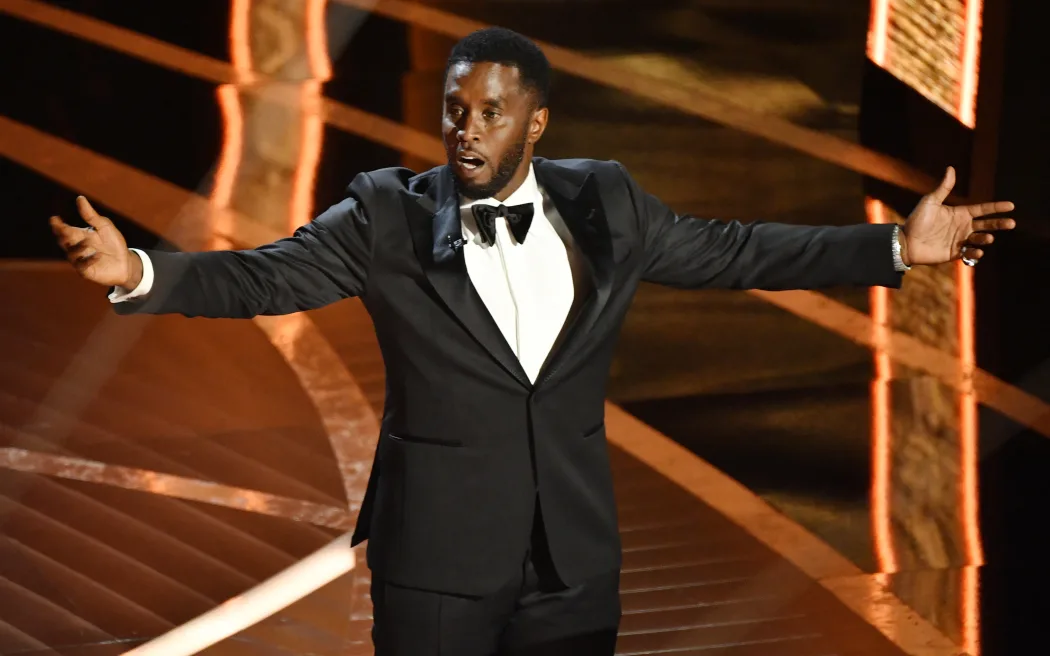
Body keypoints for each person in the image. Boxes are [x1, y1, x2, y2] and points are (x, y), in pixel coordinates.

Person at [49, 26, 1015, 656]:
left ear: (537, 122)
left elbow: (734, 250)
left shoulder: (608, 203)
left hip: (571, 563)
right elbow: (266, 276)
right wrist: (139, 271)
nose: (466, 131)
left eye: (491, 113)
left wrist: (896, 246)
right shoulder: (385, 216)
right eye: (455, 111)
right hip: (437, 564)